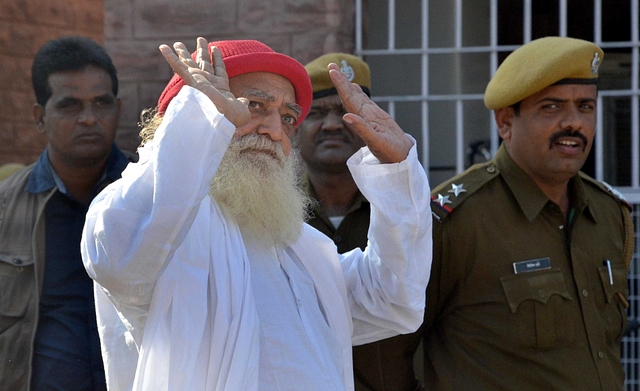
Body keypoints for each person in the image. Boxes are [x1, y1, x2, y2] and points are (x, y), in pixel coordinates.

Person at [80, 37, 432, 390]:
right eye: (253, 106)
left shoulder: (305, 251)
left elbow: (392, 299)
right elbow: (118, 251)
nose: (275, 131)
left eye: (288, 117)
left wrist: (397, 170)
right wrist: (202, 117)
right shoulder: (157, 230)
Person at [410, 36, 635, 390]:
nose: (573, 123)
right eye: (552, 107)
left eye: (585, 107)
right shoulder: (455, 220)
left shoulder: (608, 214)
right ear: (505, 123)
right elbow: (388, 348)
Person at [0, 36, 137, 391]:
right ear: (39, 117)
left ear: (118, 109)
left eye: (101, 103)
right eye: (70, 106)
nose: (89, 118)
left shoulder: (151, 196)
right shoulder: (5, 210)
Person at [298, 53, 424, 391]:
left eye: (344, 112)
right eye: (317, 113)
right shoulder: (275, 220)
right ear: (295, 127)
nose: (332, 125)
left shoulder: (407, 210)